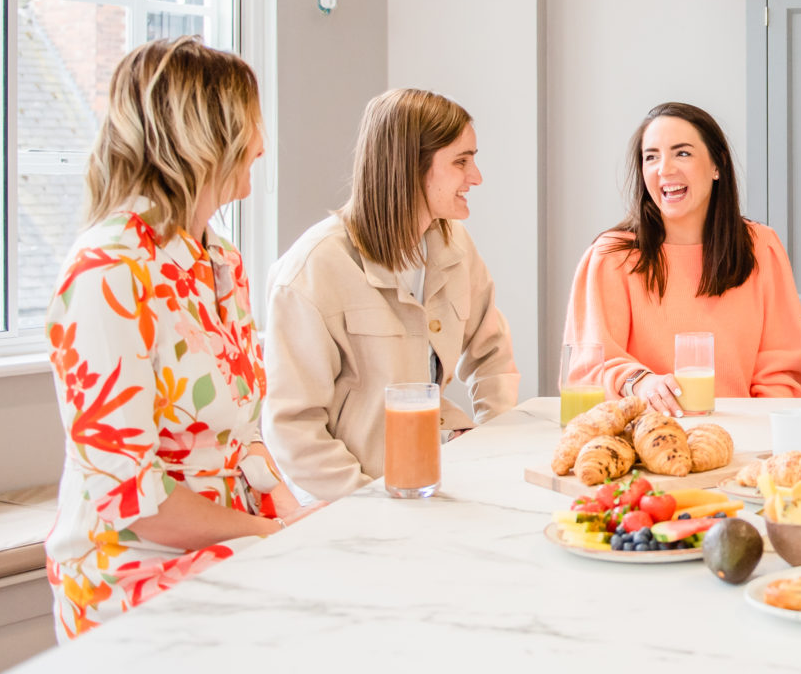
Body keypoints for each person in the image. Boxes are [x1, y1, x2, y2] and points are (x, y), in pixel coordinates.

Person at [44, 37, 312, 639]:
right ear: (202, 136)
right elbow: (133, 496)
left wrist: (300, 518)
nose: (263, 144)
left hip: (236, 541)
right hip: (133, 571)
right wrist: (274, 538)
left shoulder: (220, 260)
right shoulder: (108, 272)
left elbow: (244, 444)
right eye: (251, 122)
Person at [264, 89, 518, 500]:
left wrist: (496, 444)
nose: (476, 176)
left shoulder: (454, 245)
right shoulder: (312, 270)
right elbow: (292, 427)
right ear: (410, 168)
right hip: (347, 503)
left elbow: (492, 356)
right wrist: (369, 502)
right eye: (461, 161)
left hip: (434, 479)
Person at [565, 102, 801, 413]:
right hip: (644, 439)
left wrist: (759, 435)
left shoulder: (762, 247)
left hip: (744, 440)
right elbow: (590, 368)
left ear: (717, 165)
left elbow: (781, 374)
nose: (664, 169)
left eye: (682, 153)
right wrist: (640, 381)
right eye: (651, 157)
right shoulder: (611, 257)